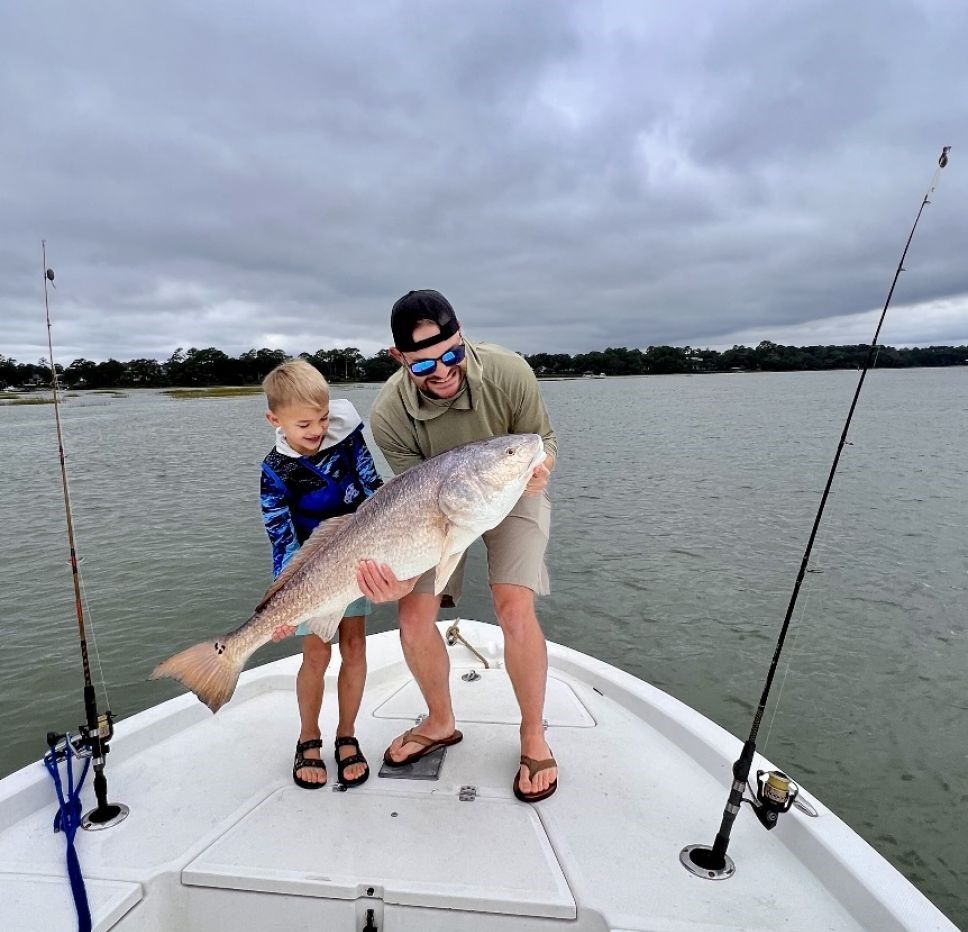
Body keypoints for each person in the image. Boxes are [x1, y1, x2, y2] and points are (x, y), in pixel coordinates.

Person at [362, 289, 559, 802]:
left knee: (513, 606)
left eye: (452, 354)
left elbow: (541, 439)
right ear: (399, 357)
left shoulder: (510, 372)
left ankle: (533, 735)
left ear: (462, 336)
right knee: (411, 616)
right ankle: (439, 721)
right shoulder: (388, 415)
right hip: (436, 511)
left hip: (514, 489)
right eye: (424, 364)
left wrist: (542, 468)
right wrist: (402, 576)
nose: (443, 371)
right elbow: (411, 500)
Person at [260, 358, 384, 790]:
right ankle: (308, 737)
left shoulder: (348, 439)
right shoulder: (275, 471)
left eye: (324, 418)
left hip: (358, 559)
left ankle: (346, 734)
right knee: (316, 654)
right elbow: (281, 538)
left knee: (354, 645)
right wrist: (281, 605)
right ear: (275, 420)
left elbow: (375, 493)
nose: (317, 430)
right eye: (304, 424)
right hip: (308, 574)